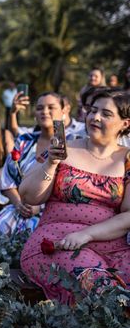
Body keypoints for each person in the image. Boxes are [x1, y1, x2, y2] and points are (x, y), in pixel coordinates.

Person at [19, 89, 130, 303]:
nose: (95, 117)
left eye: (106, 114)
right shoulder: (62, 148)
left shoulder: (127, 160)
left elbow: (128, 215)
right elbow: (29, 196)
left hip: (112, 247)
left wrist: (87, 234)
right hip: (56, 244)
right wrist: (51, 163)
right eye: (92, 111)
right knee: (98, 285)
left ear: (125, 123)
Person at [0, 92, 65, 236]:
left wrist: (39, 207)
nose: (44, 112)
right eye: (39, 108)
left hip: (53, 211)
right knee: (0, 225)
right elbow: (7, 178)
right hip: (19, 207)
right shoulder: (24, 141)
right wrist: (18, 204)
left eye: (51, 107)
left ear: (63, 112)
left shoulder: (71, 144)